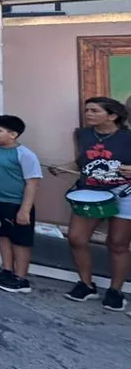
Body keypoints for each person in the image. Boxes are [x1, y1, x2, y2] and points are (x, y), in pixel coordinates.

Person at [62, 97, 131, 310]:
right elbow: (80, 161)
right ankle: (86, 283)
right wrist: (62, 167)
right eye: (87, 110)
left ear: (112, 116)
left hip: (124, 192)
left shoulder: (128, 137)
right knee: (76, 238)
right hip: (90, 190)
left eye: (94, 110)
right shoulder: (82, 134)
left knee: (118, 243)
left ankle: (115, 290)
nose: (88, 114)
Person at [0, 115, 41, 293]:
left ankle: (21, 278)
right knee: (2, 235)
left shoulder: (25, 155)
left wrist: (25, 209)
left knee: (20, 240)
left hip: (15, 203)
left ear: (13, 134)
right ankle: (7, 270)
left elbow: (32, 183)